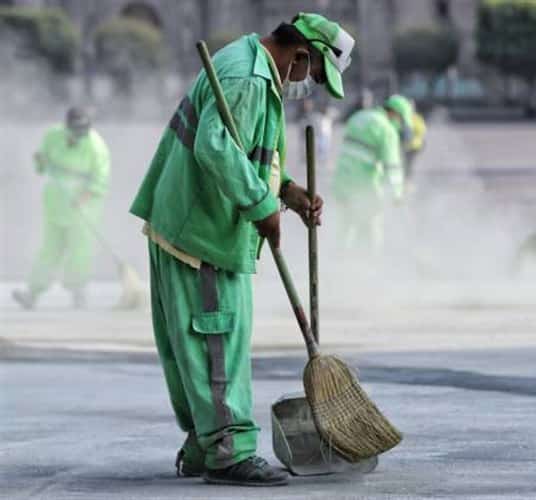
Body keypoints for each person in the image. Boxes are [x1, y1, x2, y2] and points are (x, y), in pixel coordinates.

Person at [128, 13, 354, 486]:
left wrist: (286, 192)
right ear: (300, 55)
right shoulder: (249, 79)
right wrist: (259, 205)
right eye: (312, 75)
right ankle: (228, 450)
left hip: (194, 226)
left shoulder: (249, 64)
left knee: (197, 348)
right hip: (203, 233)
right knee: (217, 343)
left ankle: (204, 446)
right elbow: (215, 146)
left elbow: (245, 150)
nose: (307, 86)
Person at [12, 107, 110, 309]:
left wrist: (83, 197)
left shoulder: (96, 146)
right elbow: (42, 163)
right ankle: (33, 293)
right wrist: (40, 161)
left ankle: (78, 292)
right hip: (56, 201)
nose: (78, 134)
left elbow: (100, 179)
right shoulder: (53, 136)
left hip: (84, 206)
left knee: (79, 251)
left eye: (82, 130)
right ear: (67, 126)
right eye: (74, 129)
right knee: (48, 250)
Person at [332, 94, 413, 251]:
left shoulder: (358, 117)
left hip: (341, 183)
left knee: (345, 226)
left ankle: (339, 262)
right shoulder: (386, 129)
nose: (400, 126)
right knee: (370, 229)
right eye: (401, 121)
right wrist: (397, 196)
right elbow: (392, 168)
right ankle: (368, 264)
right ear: (395, 113)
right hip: (365, 188)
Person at [403, 101, 427, 190]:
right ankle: (406, 183)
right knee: (405, 165)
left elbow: (421, 130)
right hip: (407, 146)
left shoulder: (416, 118)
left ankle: (407, 183)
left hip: (413, 147)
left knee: (408, 165)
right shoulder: (405, 117)